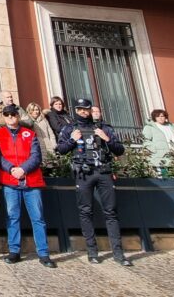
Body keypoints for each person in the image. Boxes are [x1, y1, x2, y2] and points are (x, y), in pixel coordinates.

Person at [56, 98, 132, 267]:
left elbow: (119, 149)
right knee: (85, 212)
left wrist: (106, 139)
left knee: (111, 212)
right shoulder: (70, 128)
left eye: (86, 109)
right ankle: (92, 252)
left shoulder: (104, 128)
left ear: (91, 110)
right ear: (76, 110)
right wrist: (72, 140)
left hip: (103, 171)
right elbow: (60, 150)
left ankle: (118, 253)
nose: (84, 112)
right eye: (81, 109)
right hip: (83, 174)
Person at [0, 106, 57, 268]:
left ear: (18, 116)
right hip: (10, 181)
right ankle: (14, 251)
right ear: (4, 117)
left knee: (37, 218)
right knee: (12, 217)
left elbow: (36, 156)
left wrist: (23, 169)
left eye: (13, 114)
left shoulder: (29, 133)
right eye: (7, 115)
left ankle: (43, 253)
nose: (10, 117)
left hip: (31, 181)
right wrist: (11, 169)